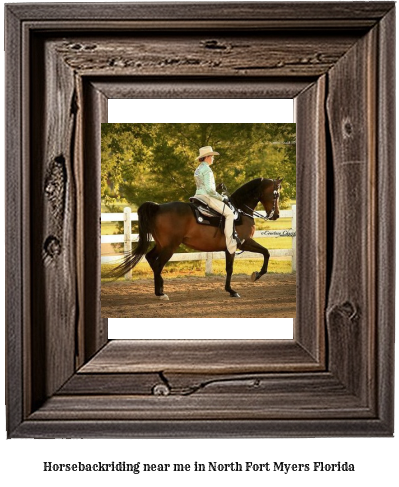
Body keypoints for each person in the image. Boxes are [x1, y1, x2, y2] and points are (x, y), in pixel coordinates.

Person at [193, 146, 240, 254]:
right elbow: (209, 190)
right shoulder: (207, 170)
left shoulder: (198, 169)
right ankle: (231, 244)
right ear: (207, 157)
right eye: (212, 156)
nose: (213, 158)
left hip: (197, 196)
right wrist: (222, 197)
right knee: (229, 214)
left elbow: (202, 186)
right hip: (207, 197)